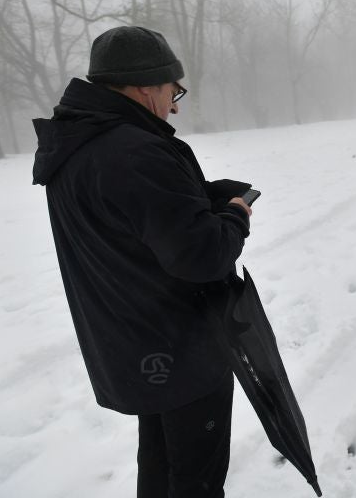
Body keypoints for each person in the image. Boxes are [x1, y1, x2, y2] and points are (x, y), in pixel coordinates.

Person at [32, 26, 253, 497]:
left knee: (158, 464)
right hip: (184, 347)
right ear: (145, 86)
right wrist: (235, 217)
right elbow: (202, 255)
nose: (174, 105)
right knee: (195, 478)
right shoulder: (136, 152)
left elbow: (125, 221)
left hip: (134, 344)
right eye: (173, 90)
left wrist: (204, 196)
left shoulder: (77, 146)